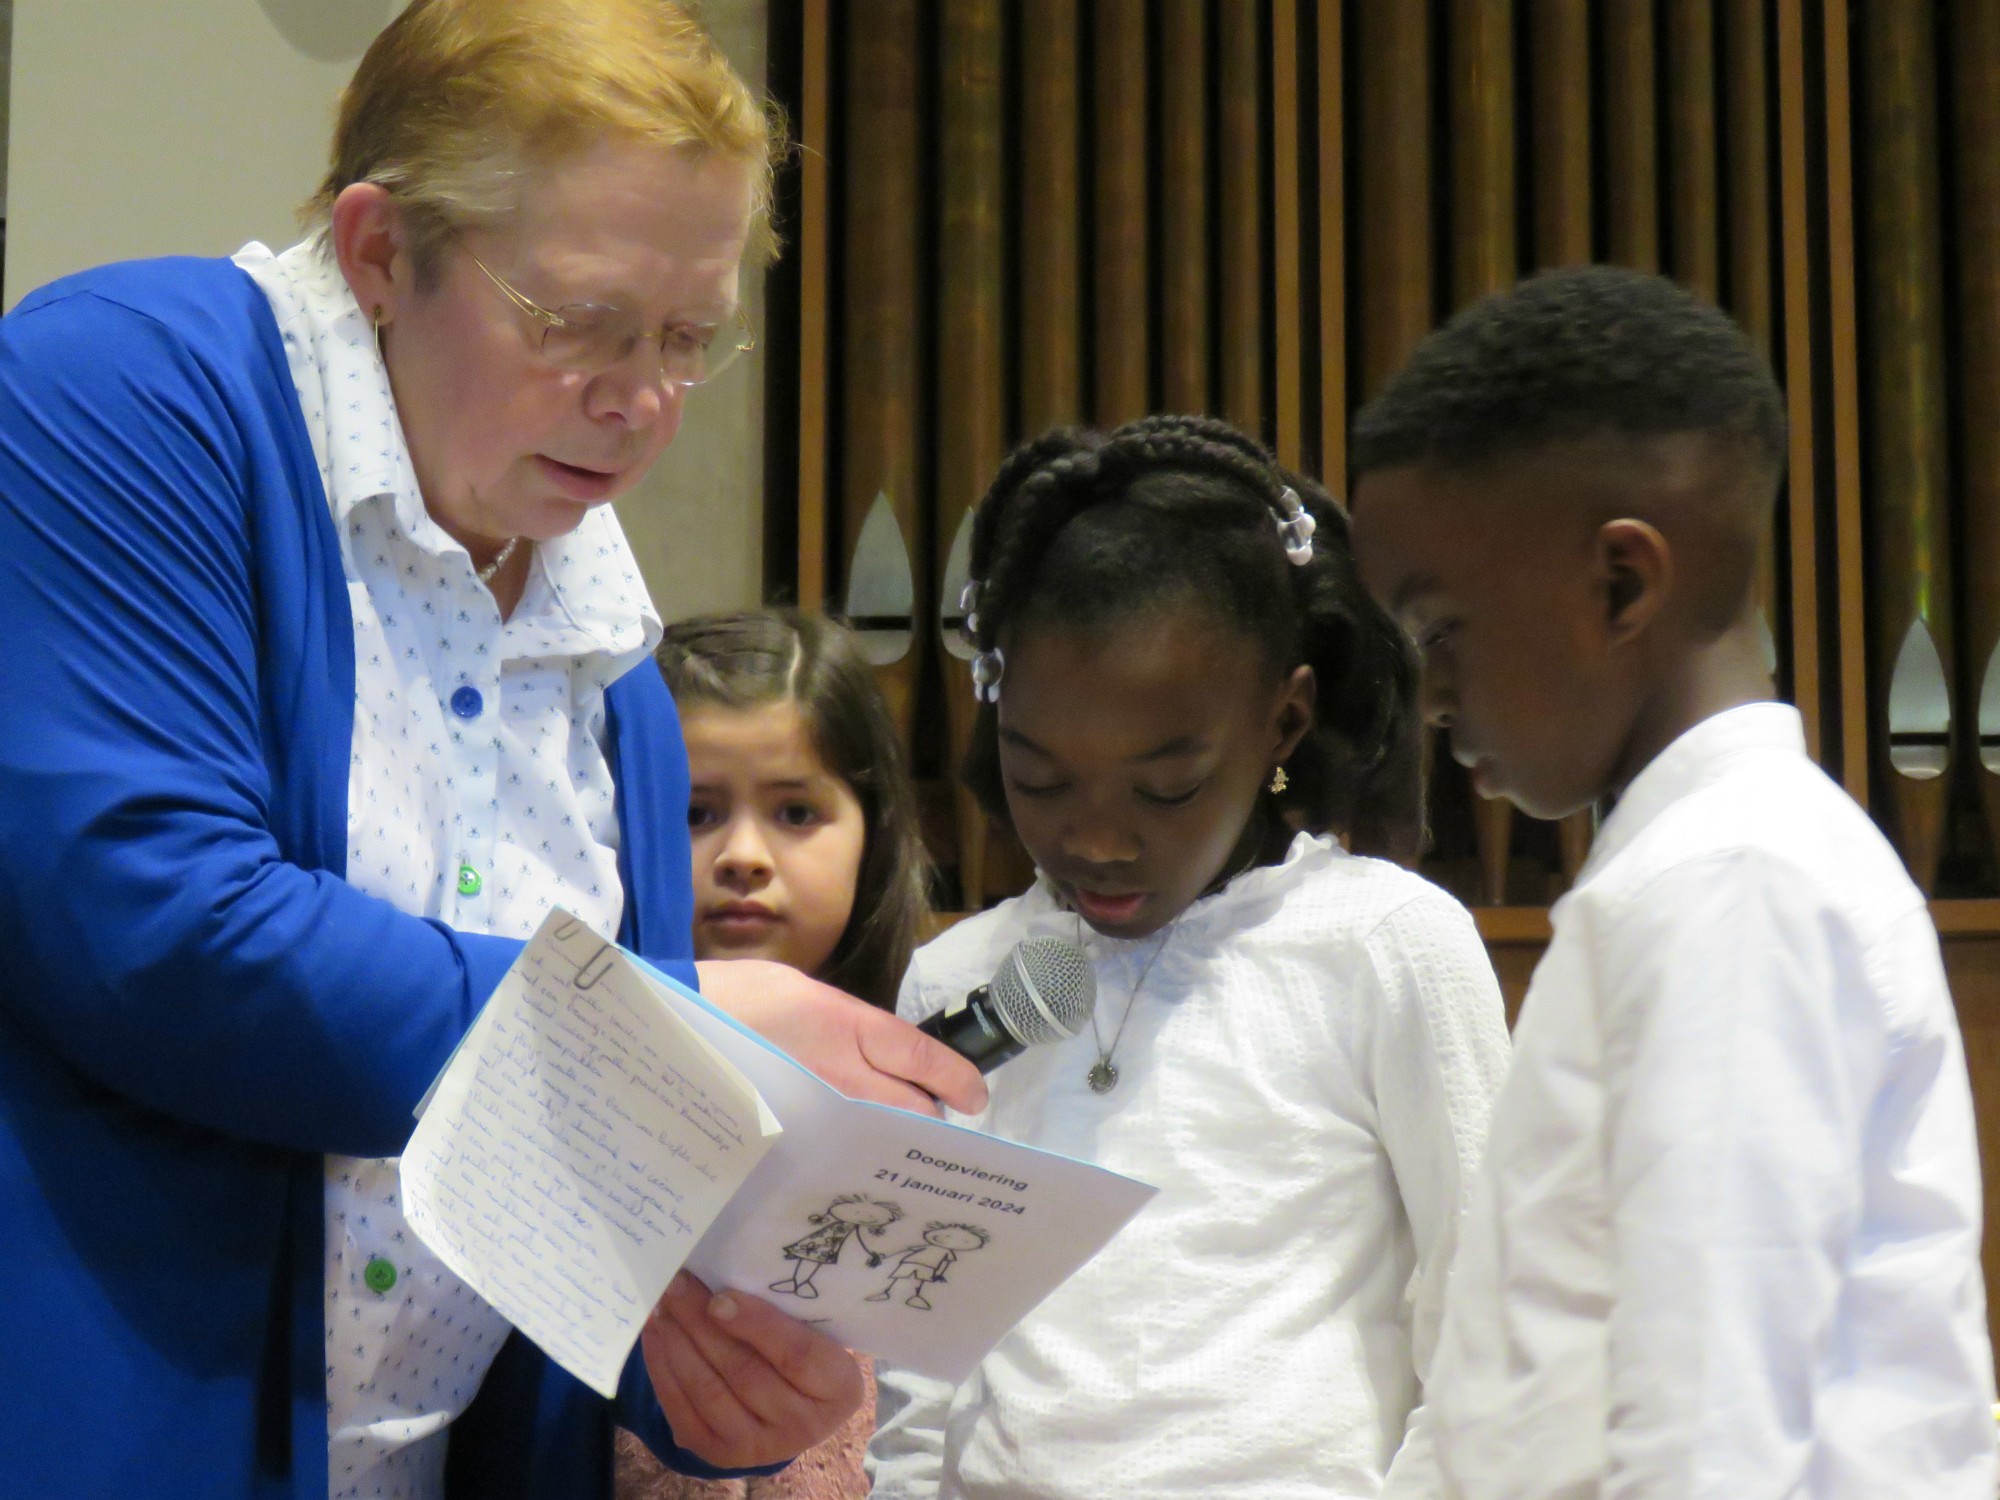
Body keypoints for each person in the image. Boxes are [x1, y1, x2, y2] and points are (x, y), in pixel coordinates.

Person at [0, 6, 984, 1499]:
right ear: (382, 250)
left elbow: (553, 1201)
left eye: (683, 340)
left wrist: (688, 1377)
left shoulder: (621, 680)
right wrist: (669, 1025)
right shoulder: (129, 389)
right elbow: (156, 927)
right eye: (578, 321)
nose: (640, 401)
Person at [1347, 264, 1998, 1498]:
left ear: (1619, 585)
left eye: (1438, 633)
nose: (1425, 700)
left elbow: (1714, 1425)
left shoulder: (1728, 885)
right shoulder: (1692, 870)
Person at [868, 415, 1513, 1499]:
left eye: (1163, 786)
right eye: (1038, 777)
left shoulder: (1384, 947)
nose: (1095, 840)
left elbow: (1488, 1312)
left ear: (1283, 723)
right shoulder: (964, 982)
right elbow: (919, 1362)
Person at [621, 610, 935, 1500]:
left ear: (871, 831)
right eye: (695, 814)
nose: (744, 857)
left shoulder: (929, 1084)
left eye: (796, 812)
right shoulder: (584, 1094)